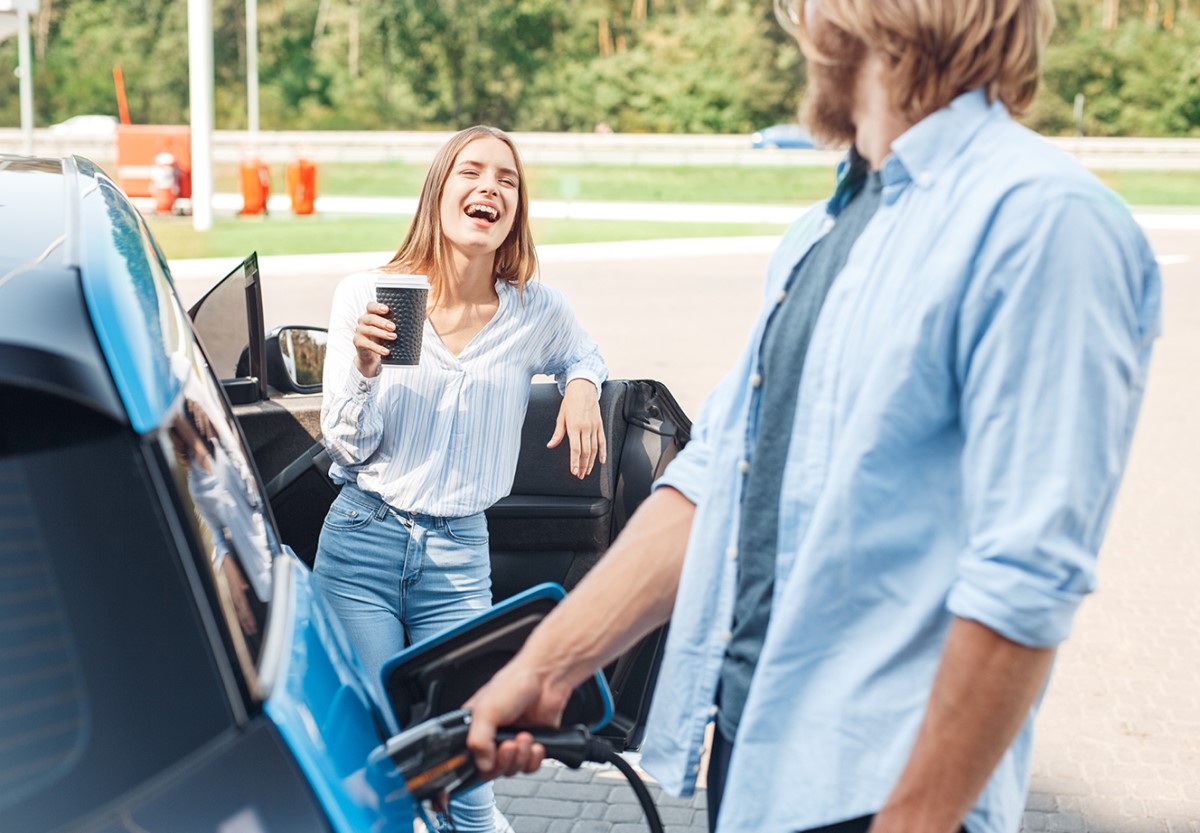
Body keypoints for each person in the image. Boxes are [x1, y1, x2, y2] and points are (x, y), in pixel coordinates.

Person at [463, 3, 1162, 833]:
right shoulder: (823, 232)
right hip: (757, 765)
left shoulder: (1044, 221)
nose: (793, 20)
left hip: (889, 796)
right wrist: (550, 663)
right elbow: (716, 476)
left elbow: (1024, 580)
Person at [314, 125, 608, 833]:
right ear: (438, 191)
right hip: (363, 544)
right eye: (471, 173)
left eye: (506, 179)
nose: (490, 188)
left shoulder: (536, 311)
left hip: (456, 558)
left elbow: (584, 353)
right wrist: (362, 366)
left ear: (516, 207)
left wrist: (583, 388)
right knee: (378, 758)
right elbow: (349, 447)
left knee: (468, 773)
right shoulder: (380, 298)